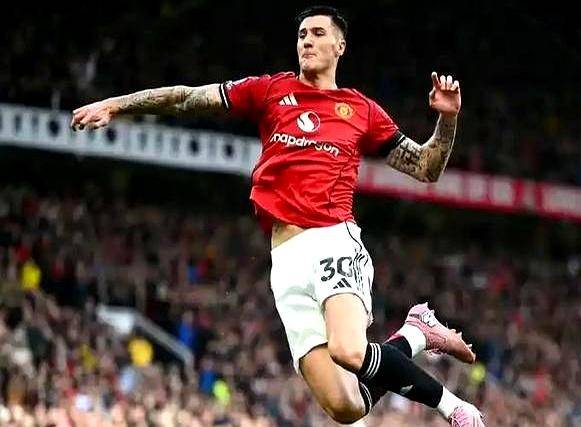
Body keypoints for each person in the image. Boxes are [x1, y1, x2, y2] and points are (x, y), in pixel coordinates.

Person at [70, 5, 484, 426]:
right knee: (346, 407)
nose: (307, 41)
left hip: (332, 239)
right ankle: (415, 333)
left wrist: (447, 120)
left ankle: (456, 409)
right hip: (284, 260)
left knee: (348, 350)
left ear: (340, 46)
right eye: (302, 34)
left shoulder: (359, 109)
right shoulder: (271, 90)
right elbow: (188, 98)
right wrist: (117, 105)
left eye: (318, 33)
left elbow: (426, 168)